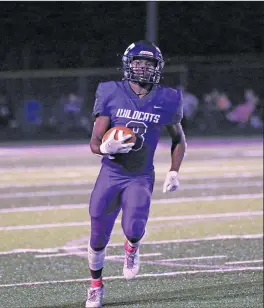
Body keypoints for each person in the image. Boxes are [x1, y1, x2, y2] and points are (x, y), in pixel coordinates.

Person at [85, 40, 187, 308]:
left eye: (149, 63)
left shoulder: (168, 98)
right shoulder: (111, 92)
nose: (142, 67)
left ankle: (132, 248)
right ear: (128, 65)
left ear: (158, 67)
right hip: (111, 173)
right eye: (138, 62)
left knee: (134, 228)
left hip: (140, 176)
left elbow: (179, 139)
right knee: (98, 235)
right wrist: (105, 147)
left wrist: (174, 171)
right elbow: (95, 142)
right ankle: (96, 285)